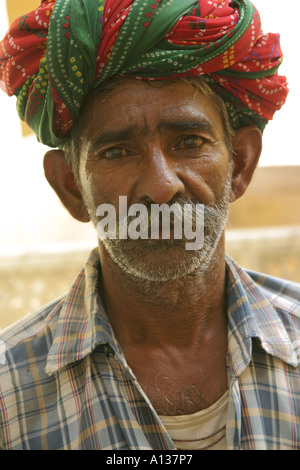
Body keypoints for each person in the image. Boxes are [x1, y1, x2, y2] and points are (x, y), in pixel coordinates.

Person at [0, 0, 299, 451]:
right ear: (71, 187)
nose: (161, 188)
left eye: (189, 141)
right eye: (117, 152)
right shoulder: (8, 393)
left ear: (239, 165)